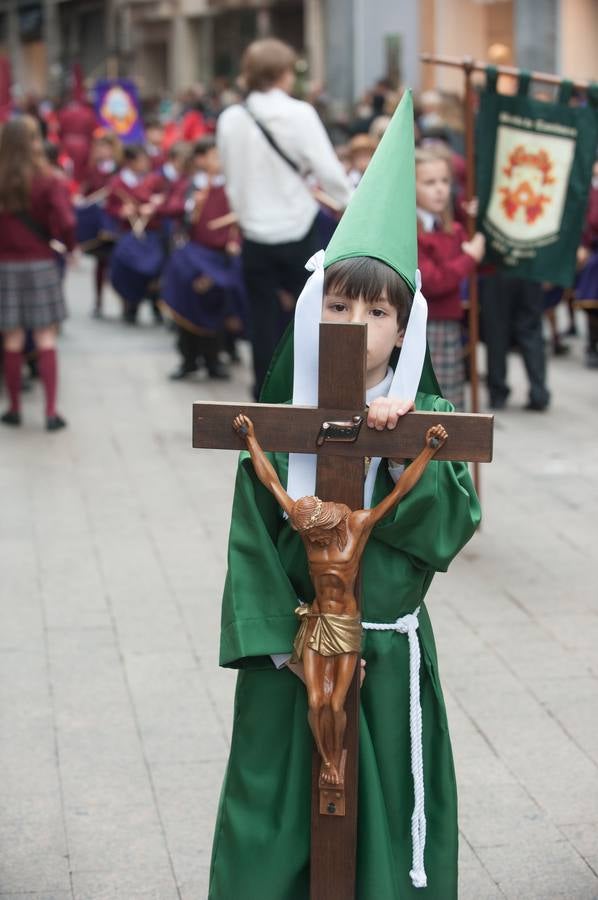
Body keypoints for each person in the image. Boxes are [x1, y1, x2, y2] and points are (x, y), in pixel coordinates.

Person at [209, 92, 480, 900]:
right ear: (310, 308)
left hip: (388, 656)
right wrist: (284, 648)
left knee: (381, 838)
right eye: (337, 304)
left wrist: (404, 455)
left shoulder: (426, 422)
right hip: (292, 663)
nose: (354, 323)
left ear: (406, 328)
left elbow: (448, 531)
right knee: (277, 829)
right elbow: (251, 538)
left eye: (376, 309)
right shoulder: (276, 421)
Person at [217, 38, 352, 398]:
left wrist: (244, 217)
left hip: (254, 234)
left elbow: (230, 178)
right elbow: (329, 172)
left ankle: (264, 390)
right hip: (298, 228)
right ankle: (312, 389)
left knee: (261, 319)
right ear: (282, 72)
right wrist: (351, 204)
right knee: (312, 313)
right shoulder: (299, 114)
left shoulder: (231, 118)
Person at [0, 116, 75, 430]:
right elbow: (68, 222)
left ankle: (15, 408)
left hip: (5, 265)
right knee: (46, 336)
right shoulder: (48, 178)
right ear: (33, 142)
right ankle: (50, 412)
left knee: (12, 338)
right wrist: (66, 245)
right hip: (41, 263)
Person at [160, 137, 244, 380]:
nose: (219, 161)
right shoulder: (189, 186)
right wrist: (190, 204)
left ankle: (213, 359)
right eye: (214, 156)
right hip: (191, 256)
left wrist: (234, 243)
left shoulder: (231, 187)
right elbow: (169, 209)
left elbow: (241, 223)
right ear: (199, 159)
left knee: (215, 308)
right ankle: (187, 359)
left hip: (218, 258)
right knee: (186, 307)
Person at [415, 146, 485, 409]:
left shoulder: (453, 228)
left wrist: (477, 223)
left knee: (450, 399)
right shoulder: (413, 231)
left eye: (444, 181)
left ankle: (451, 451)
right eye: (429, 182)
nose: (440, 189)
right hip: (425, 325)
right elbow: (432, 281)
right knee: (430, 401)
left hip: (450, 324)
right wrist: (469, 258)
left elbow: (482, 267)